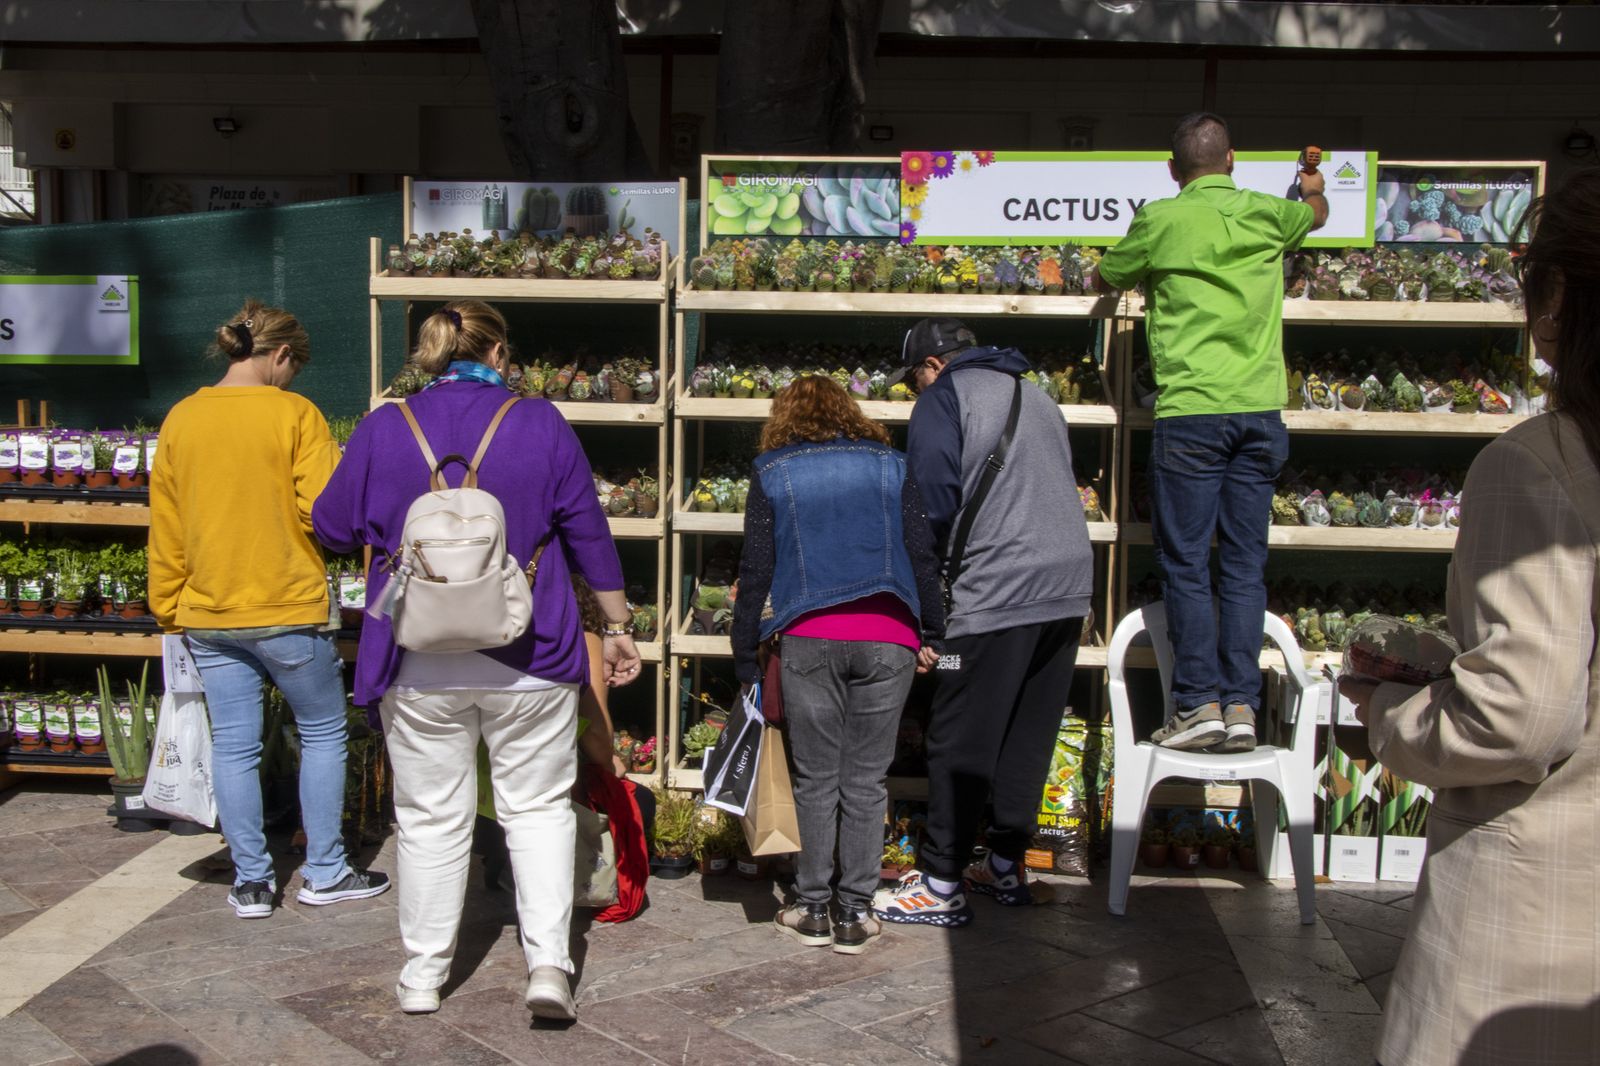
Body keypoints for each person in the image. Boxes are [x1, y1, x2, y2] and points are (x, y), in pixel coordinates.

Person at [311, 300, 641, 1020]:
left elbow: (332, 524)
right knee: (539, 809)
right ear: (496, 354)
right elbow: (587, 530)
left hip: (414, 656)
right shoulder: (539, 421)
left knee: (430, 817)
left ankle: (423, 975)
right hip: (531, 651)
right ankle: (549, 965)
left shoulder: (384, 425)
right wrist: (617, 622)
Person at [1339, 171, 1600, 1066]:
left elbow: (1517, 717)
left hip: (1536, 933)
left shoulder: (1541, 466)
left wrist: (1389, 716)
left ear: (1559, 296)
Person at [148, 300, 389, 921]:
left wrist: (169, 608)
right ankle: (327, 871)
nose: (293, 378)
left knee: (234, 745)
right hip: (285, 604)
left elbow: (167, 527)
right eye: (294, 366)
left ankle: (252, 882)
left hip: (206, 610)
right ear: (279, 355)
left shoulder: (182, 418)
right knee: (324, 733)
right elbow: (327, 513)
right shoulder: (294, 414)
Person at [1095, 114, 1328, 753]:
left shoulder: (1160, 220)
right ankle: (1243, 706)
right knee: (1246, 565)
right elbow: (1316, 213)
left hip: (1192, 413)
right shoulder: (1267, 215)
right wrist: (1310, 182)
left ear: (1173, 171)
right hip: (1259, 412)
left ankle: (1197, 704)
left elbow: (1106, 277)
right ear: (1232, 160)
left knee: (1187, 562)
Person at [873, 317, 1093, 928]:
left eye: (914, 379)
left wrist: (921, 604)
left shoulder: (946, 398)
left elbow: (930, 504)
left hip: (998, 586)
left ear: (934, 366)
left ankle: (941, 880)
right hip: (1068, 588)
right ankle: (1004, 867)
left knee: (959, 733)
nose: (915, 392)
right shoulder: (1038, 395)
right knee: (1029, 731)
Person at [730, 376, 944, 955]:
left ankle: (813, 908)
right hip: (889, 637)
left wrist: (744, 653)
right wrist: (933, 629)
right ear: (850, 411)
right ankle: (856, 912)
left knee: (815, 778)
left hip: (808, 636)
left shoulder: (773, 471)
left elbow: (755, 569)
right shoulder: (891, 466)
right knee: (867, 779)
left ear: (783, 418)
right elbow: (921, 553)